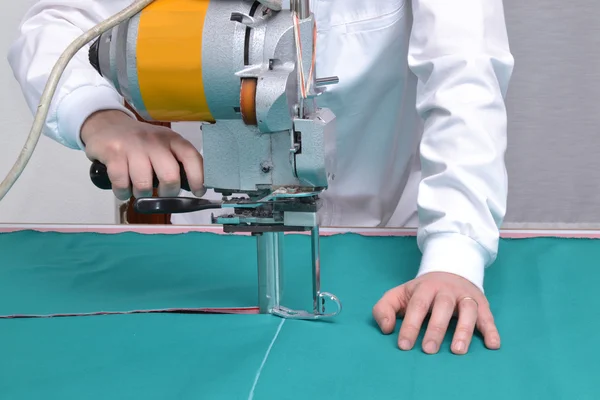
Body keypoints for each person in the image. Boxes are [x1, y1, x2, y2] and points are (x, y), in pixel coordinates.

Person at [7, 0, 514, 355]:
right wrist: (100, 116)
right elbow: (53, 25)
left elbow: (465, 75)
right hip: (214, 256)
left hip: (388, 245)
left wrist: (455, 255)